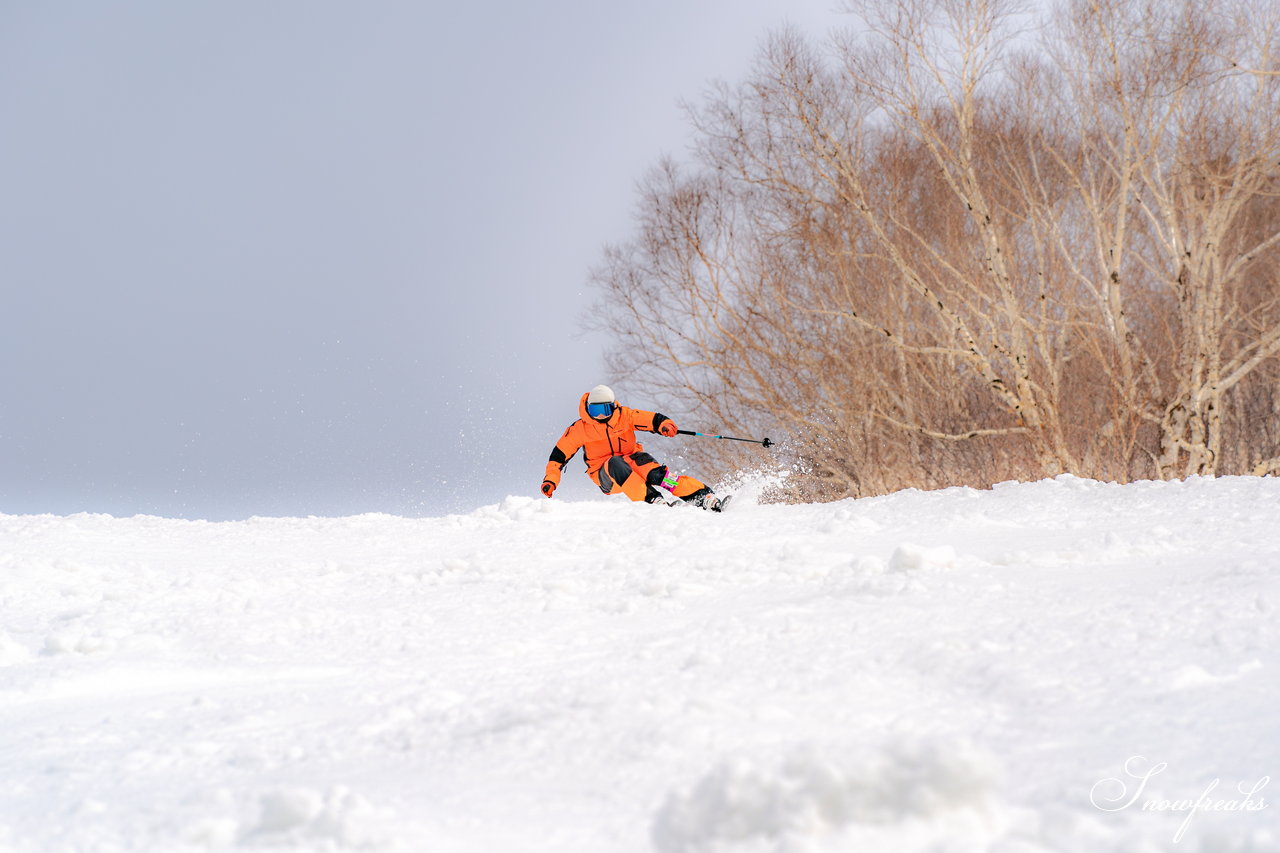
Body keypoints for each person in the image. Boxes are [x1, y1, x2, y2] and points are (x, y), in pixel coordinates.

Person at [540, 384, 724, 511]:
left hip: (632, 459)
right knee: (615, 463)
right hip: (605, 474)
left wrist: (664, 425)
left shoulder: (624, 416)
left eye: (604, 410)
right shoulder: (579, 429)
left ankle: (703, 496)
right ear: (588, 408)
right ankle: (652, 500)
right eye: (595, 411)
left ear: (612, 407)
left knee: (657, 474)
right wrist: (551, 480)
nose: (600, 416)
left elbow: (651, 419)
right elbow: (557, 458)